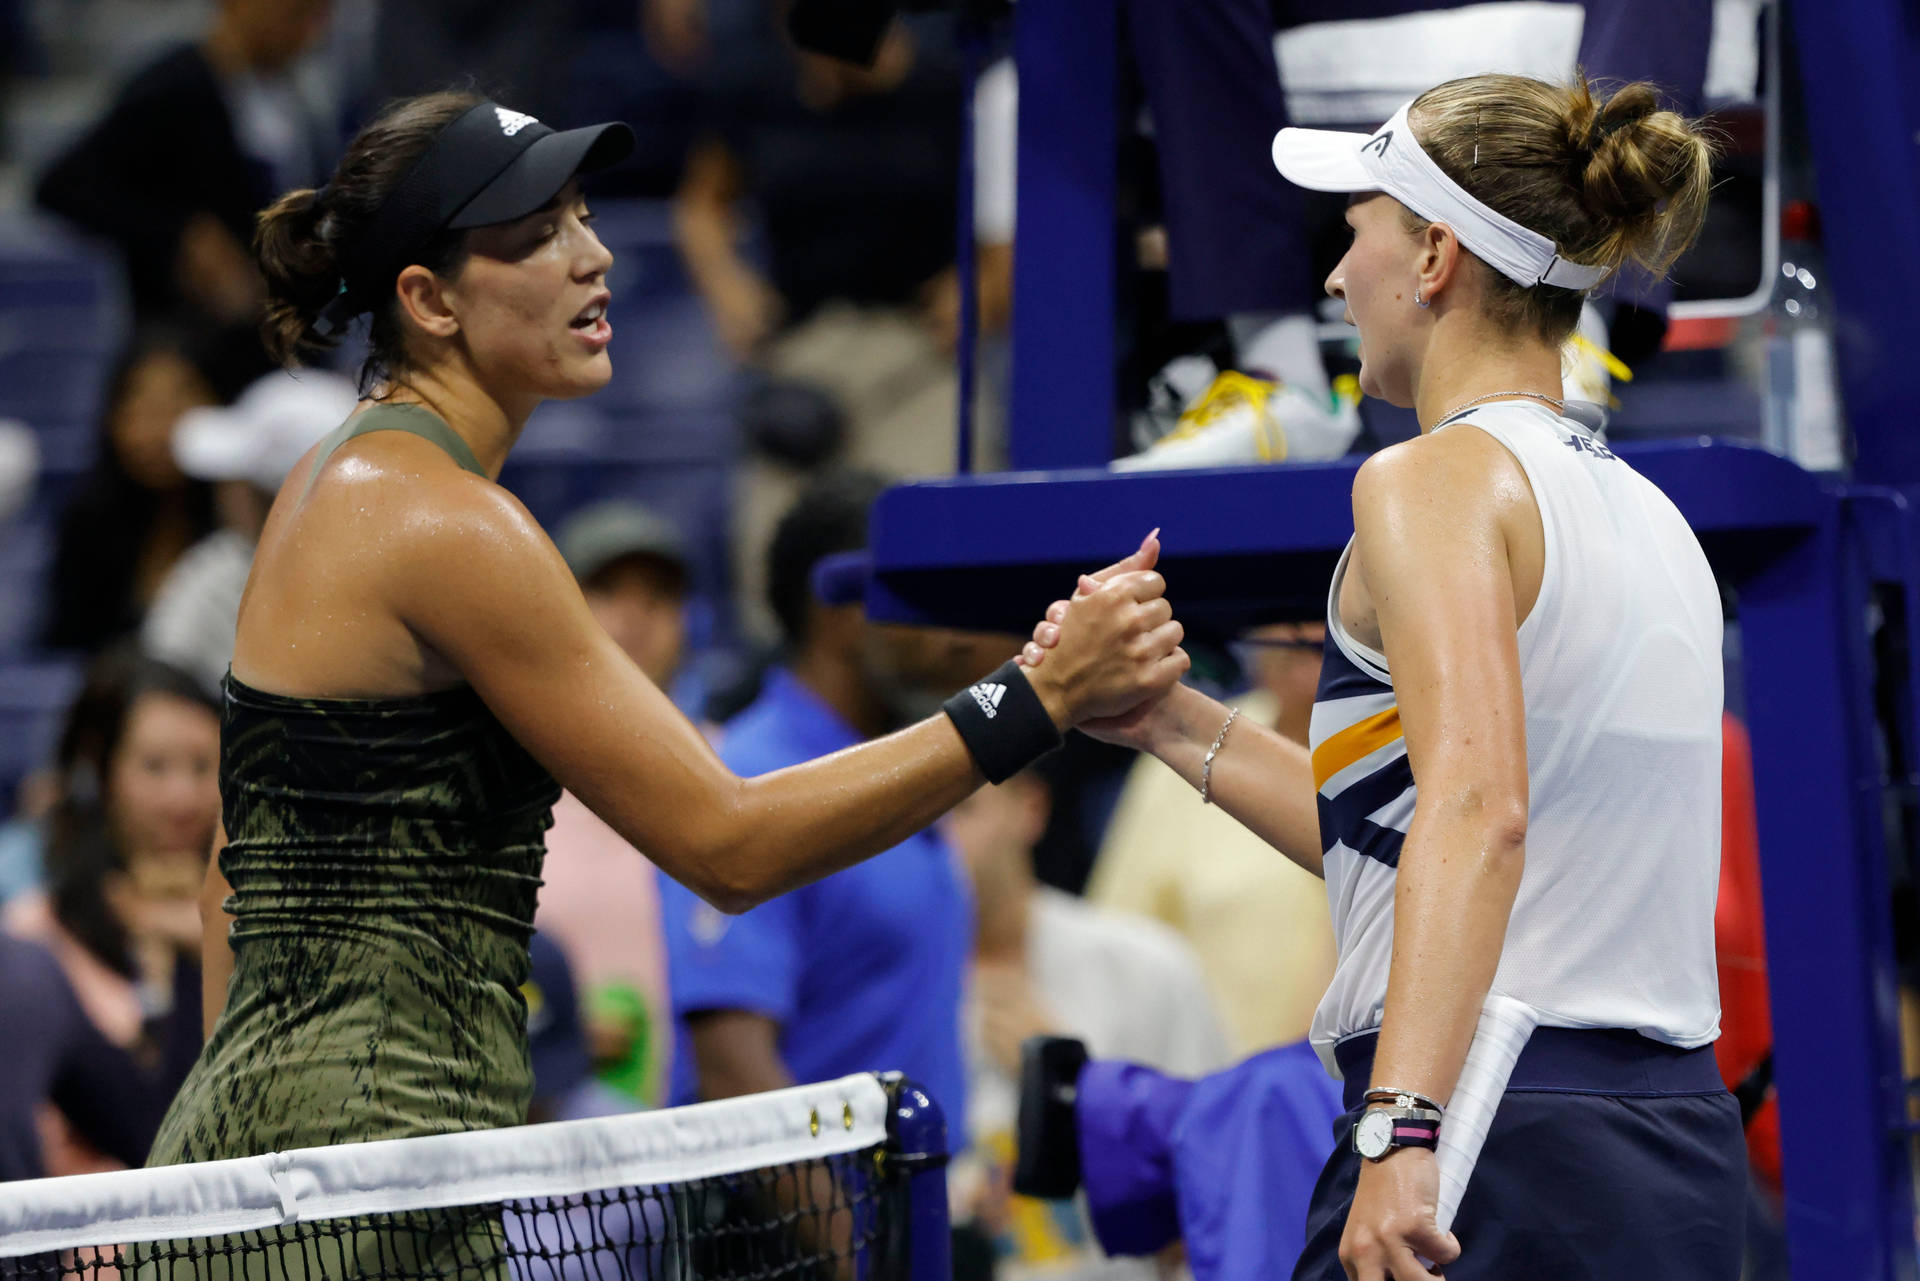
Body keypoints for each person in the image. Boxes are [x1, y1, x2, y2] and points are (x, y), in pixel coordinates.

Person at [151, 88, 1185, 1217]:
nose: (593, 255)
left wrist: (240, 1178)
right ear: (429, 300)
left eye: (585, 215)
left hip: (294, 1158)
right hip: (370, 1172)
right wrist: (1035, 698)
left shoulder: (333, 481)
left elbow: (229, 870)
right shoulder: (448, 523)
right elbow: (728, 846)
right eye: (537, 235)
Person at [1024, 72, 1740, 1279]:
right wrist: (1160, 716)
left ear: (1435, 258)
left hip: (1481, 1123)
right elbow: (1409, 834)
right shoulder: (1652, 515)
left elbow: (1475, 809)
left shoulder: (1428, 483)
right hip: (1671, 1148)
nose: (1331, 279)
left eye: (1352, 232)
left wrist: (1401, 1126)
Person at [659, 473, 978, 1122]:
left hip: (911, 1209)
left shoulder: (902, 768)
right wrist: (847, 1228)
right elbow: (732, 1070)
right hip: (797, 1219)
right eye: (920, 594)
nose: (950, 632)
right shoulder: (747, 776)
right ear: (839, 610)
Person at [945, 767, 1232, 1279]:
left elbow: (1221, 1176)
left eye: (960, 811)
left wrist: (1076, 1093)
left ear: (1029, 808)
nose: (938, 842)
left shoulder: (1145, 965)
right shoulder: (871, 992)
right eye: (916, 826)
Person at [2, 649, 218, 1175]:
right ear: (99, 769)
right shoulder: (35, 939)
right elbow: (152, 1134)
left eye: (203, 766)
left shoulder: (251, 933)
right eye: (154, 766)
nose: (182, 797)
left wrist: (201, 946)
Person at [1088, 622, 1336, 1053]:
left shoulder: (1418, 749)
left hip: (1361, 1084)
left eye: (1327, 648)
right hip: (1208, 1090)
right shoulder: (1186, 739)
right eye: (1295, 650)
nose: (1310, 672)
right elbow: (1118, 939)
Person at [535, 500, 695, 1107]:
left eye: (659, 596)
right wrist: (551, 1034)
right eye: (607, 589)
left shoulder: (739, 775)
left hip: (717, 1139)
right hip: (552, 1146)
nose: (636, 614)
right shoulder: (510, 786)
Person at [33, 0, 334, 322]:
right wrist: (180, 236)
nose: (310, 34)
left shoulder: (295, 100)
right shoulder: (175, 87)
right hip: (192, 327)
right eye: (296, 13)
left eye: (318, 15)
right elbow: (65, 184)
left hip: (281, 322)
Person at [40, 324, 271, 654]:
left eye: (176, 407)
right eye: (140, 410)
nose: (157, 431)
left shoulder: (249, 517)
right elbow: (67, 646)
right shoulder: (87, 521)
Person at [141, 368, 360, 698]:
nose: (222, 490)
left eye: (238, 478)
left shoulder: (211, 579)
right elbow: (156, 684)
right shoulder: (215, 571)